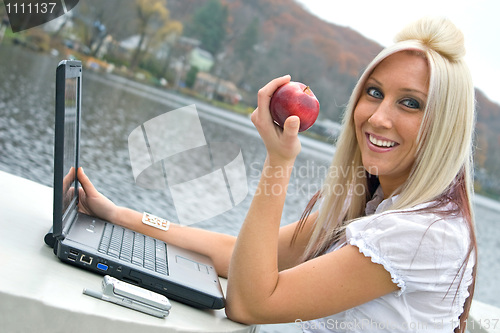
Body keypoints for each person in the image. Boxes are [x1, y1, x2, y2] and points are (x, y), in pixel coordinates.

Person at [77, 16, 476, 333]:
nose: (378, 117)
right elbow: (237, 254)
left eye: (410, 103)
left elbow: (249, 304)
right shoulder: (375, 208)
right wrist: (118, 215)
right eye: (374, 92)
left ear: (446, 125)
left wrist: (279, 159)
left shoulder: (423, 234)